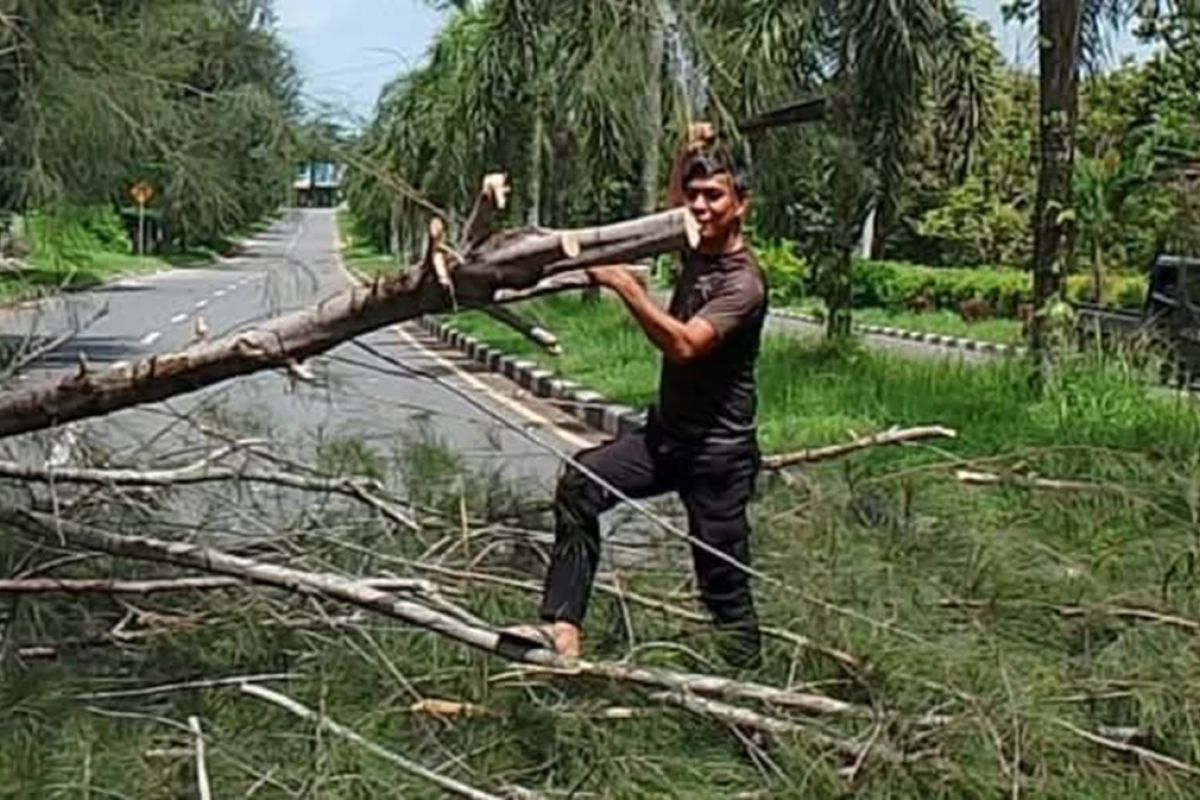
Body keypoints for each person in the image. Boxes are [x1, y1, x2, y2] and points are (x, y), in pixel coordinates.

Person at [507, 124, 768, 669]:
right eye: (694, 196)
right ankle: (562, 627)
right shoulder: (695, 240)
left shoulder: (742, 283)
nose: (698, 206)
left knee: (723, 584)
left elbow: (684, 345)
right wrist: (686, 151)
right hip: (664, 438)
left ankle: (750, 699)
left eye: (714, 196)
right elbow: (676, 203)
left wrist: (627, 288)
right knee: (581, 483)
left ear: (742, 205)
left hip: (716, 457)